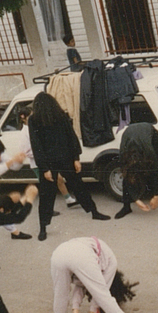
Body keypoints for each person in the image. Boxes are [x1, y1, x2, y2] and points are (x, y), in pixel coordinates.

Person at [29, 92, 110, 240]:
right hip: (65, 158)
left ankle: (43, 228)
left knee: (46, 195)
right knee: (79, 186)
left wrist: (44, 168)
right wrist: (76, 158)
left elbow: (37, 146)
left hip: (51, 161)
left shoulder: (40, 119)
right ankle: (94, 212)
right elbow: (71, 137)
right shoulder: (52, 117)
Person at [49, 237, 145, 313]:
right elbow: (101, 292)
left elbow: (80, 285)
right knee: (103, 294)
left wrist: (75, 311)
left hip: (58, 254)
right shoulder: (111, 263)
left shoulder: (99, 252)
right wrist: (93, 310)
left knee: (60, 291)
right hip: (82, 255)